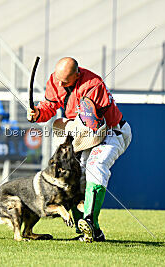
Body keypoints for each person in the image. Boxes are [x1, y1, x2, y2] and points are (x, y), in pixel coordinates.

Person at [27, 57, 132, 242]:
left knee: (95, 165)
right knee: (76, 176)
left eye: (65, 81)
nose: (59, 83)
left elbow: (96, 125)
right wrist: (37, 113)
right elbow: (49, 107)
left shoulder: (93, 85)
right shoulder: (55, 80)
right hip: (85, 132)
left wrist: (71, 133)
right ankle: (91, 233)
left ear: (77, 74)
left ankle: (89, 221)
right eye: (58, 79)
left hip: (110, 131)